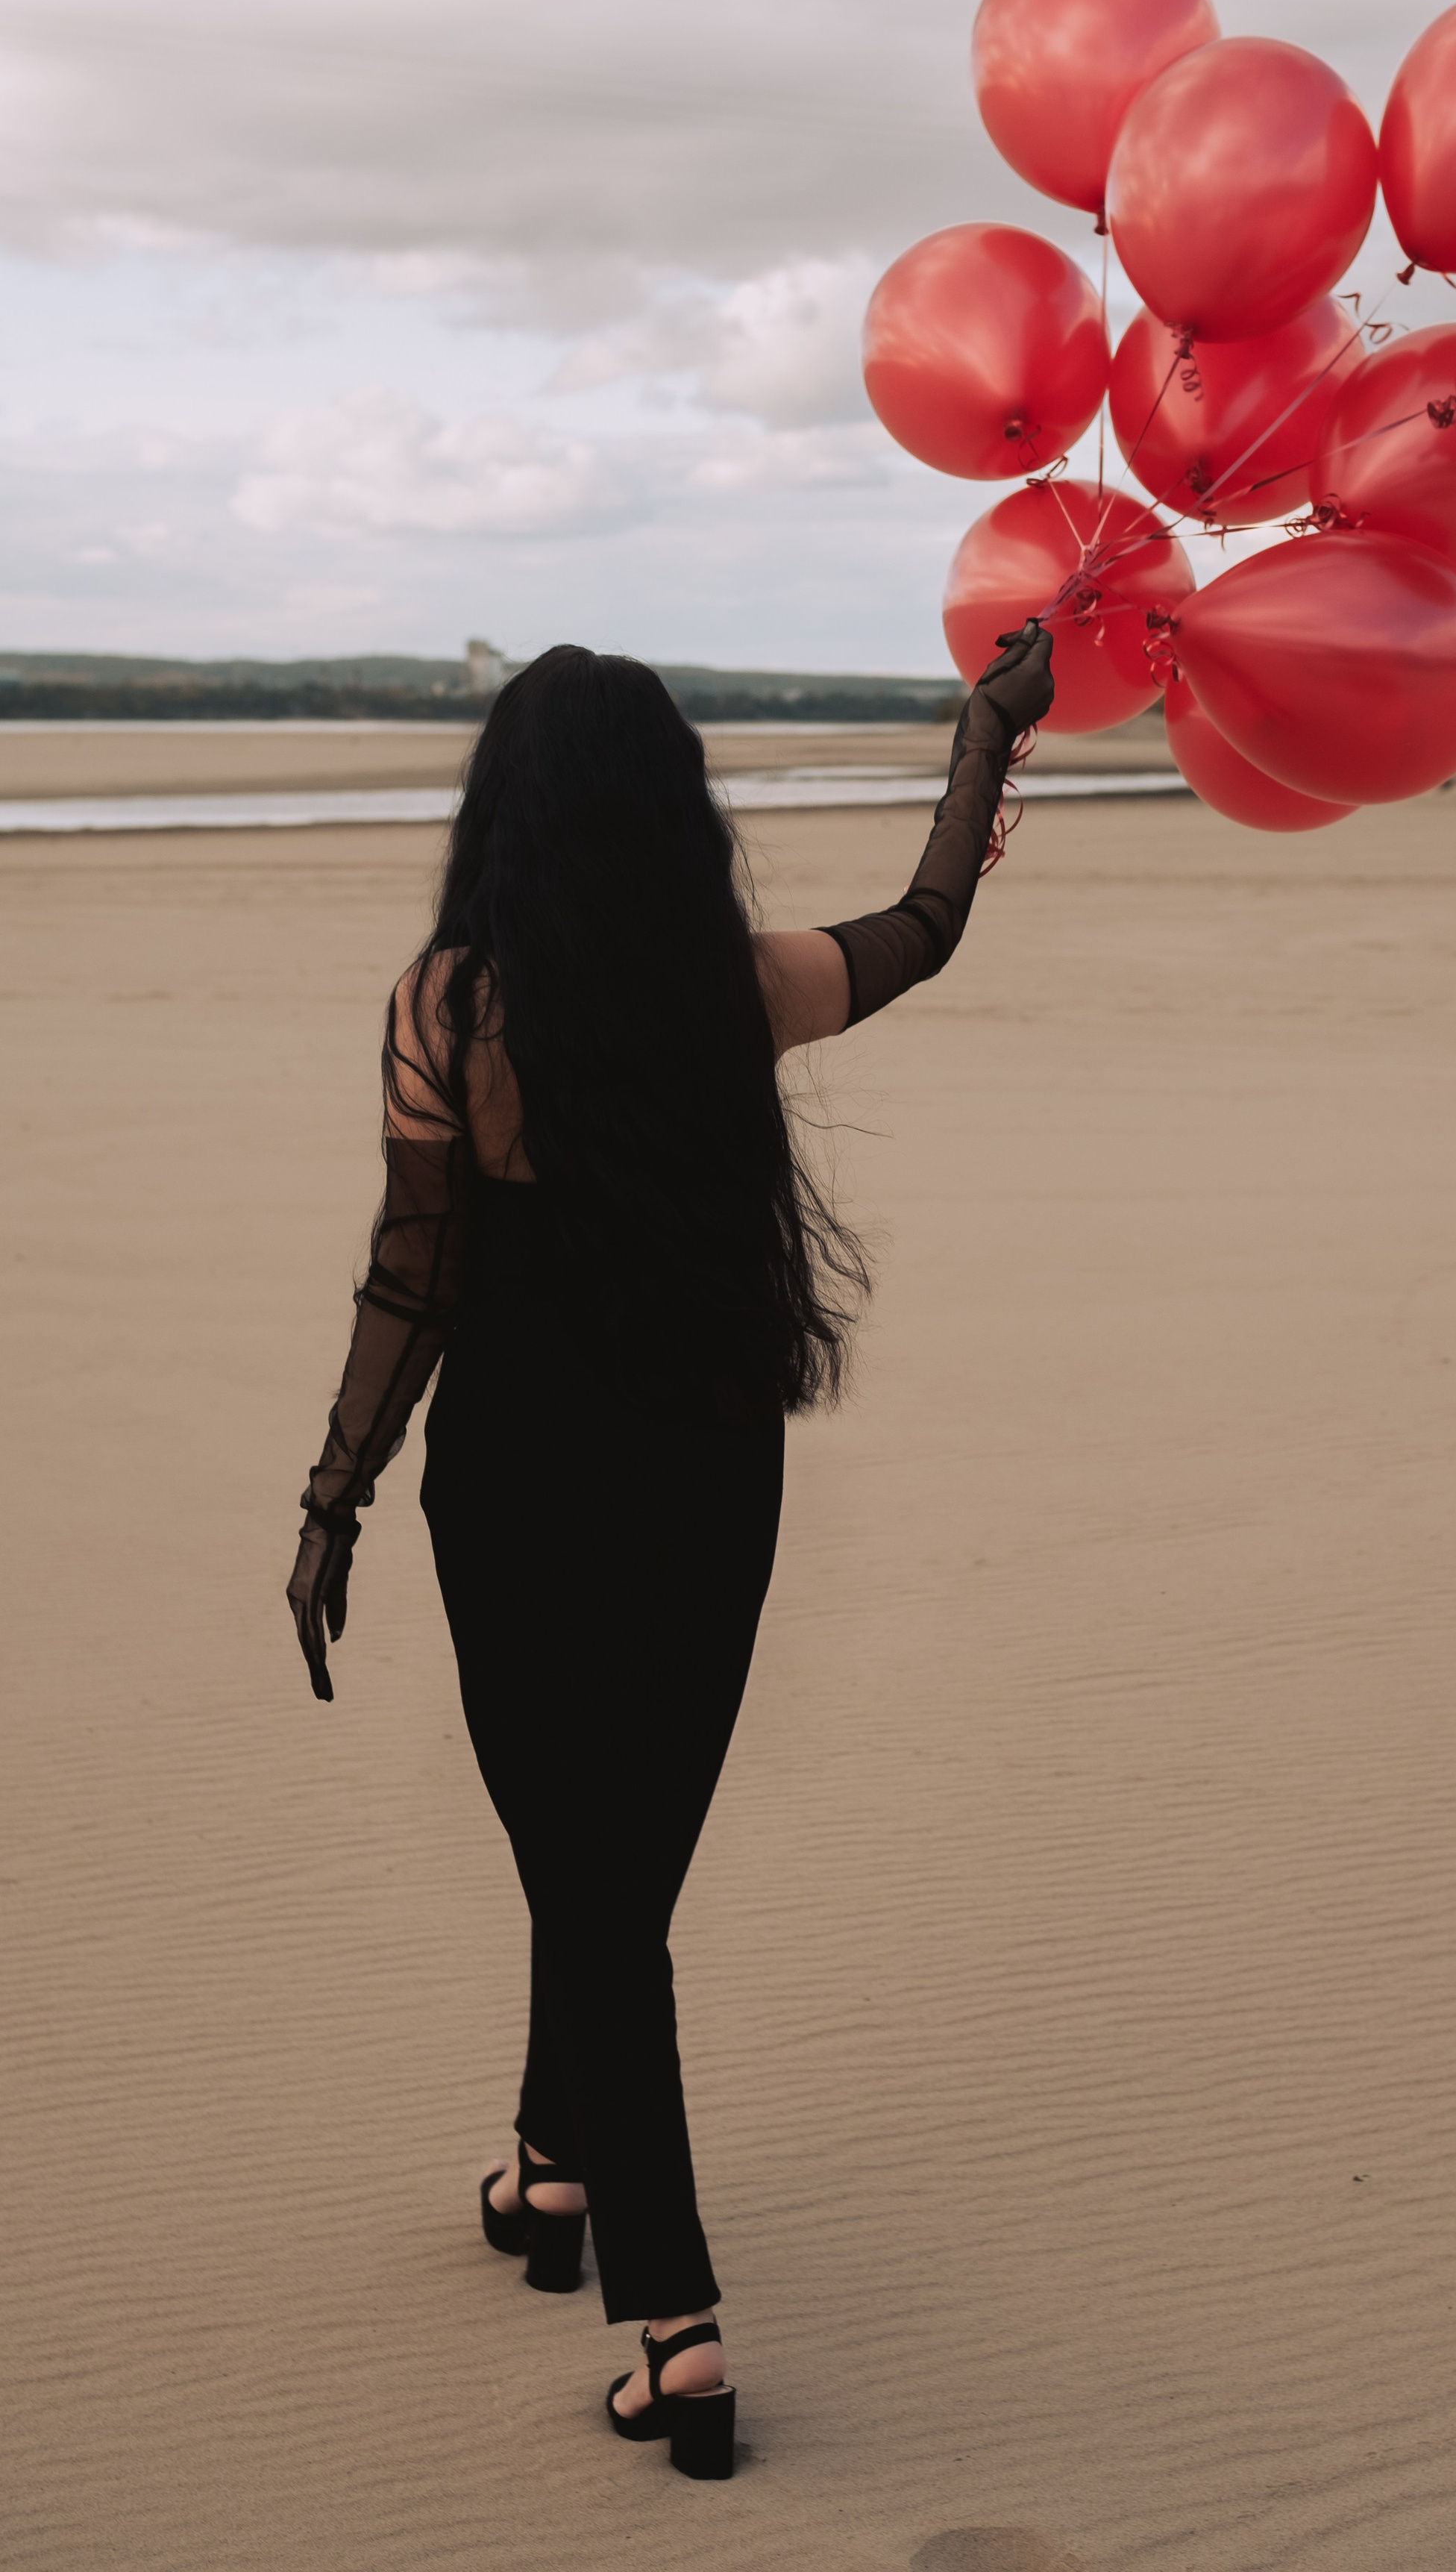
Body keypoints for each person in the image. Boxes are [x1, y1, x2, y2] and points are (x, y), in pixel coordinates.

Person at [285, 628, 1054, 2481]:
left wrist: (337, 1492)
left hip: (519, 1478)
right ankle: (551, 2175)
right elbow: (924, 928)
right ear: (663, 810)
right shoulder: (737, 986)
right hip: (709, 1472)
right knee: (609, 1863)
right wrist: (983, 743)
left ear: (509, 812)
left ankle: (681, 2329)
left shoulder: (450, 1005)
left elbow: (420, 1272)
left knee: (594, 1877)